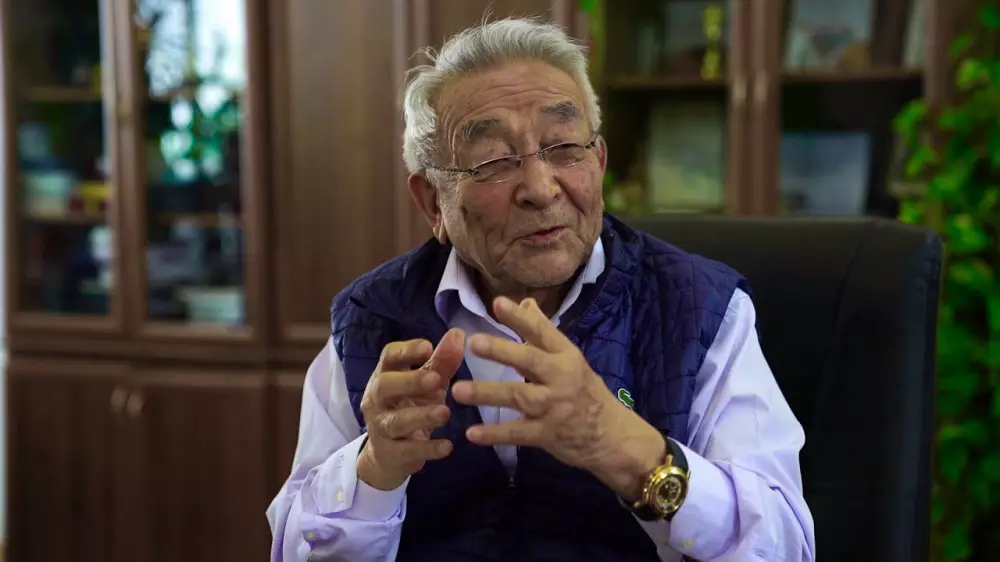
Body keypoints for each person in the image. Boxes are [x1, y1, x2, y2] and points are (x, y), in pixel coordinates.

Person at [267, 17, 815, 562]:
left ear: (599, 162)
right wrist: (373, 471)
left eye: (564, 148)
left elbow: (785, 546)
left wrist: (630, 451)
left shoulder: (701, 305)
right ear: (433, 202)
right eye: (493, 162)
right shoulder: (372, 317)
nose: (540, 188)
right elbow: (293, 550)